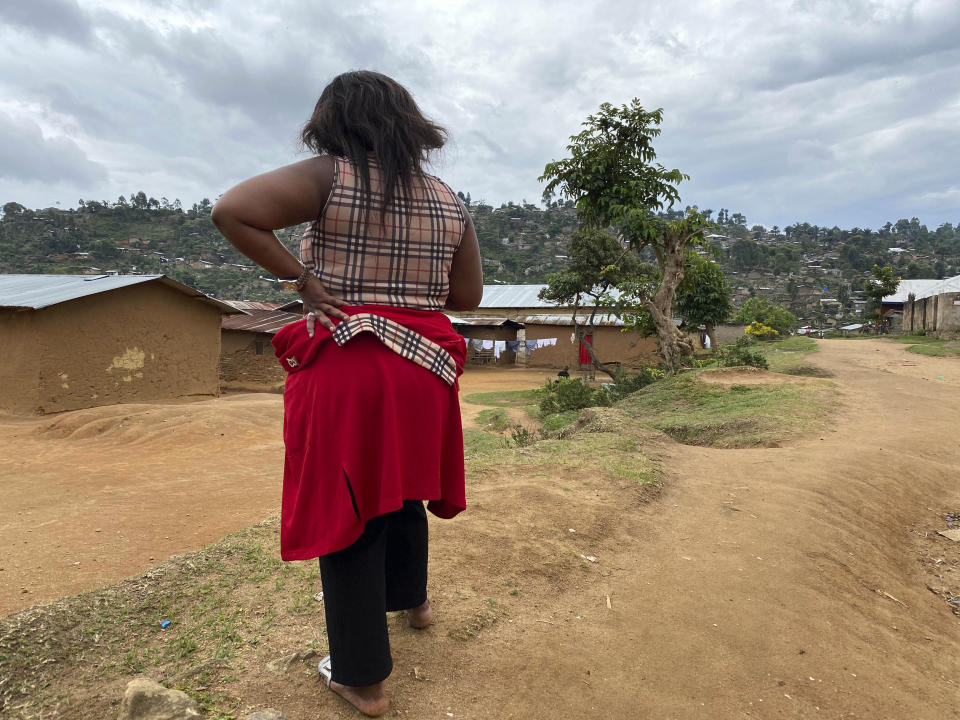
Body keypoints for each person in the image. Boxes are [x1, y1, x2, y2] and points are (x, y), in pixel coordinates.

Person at [211, 70, 482, 717]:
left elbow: (231, 211)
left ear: (335, 122)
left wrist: (302, 278)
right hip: (424, 372)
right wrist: (405, 287)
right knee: (402, 484)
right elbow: (466, 297)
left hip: (350, 367)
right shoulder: (448, 199)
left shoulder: (331, 177)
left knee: (348, 508)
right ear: (408, 125)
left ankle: (362, 679)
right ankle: (413, 603)